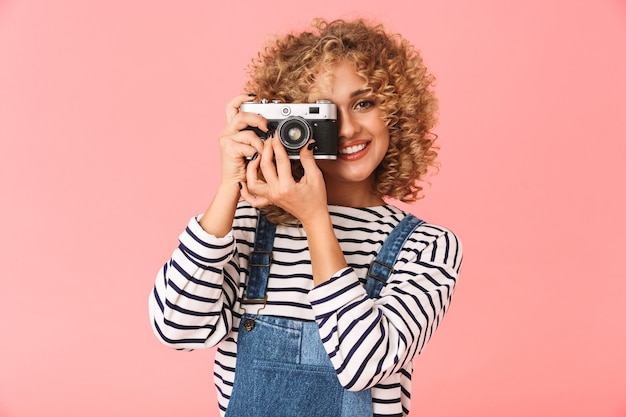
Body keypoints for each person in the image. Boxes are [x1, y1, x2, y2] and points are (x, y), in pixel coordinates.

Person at [149, 18, 462, 417]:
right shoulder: (248, 227)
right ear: (289, 121)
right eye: (325, 112)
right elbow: (175, 328)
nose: (347, 128)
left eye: (364, 103)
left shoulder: (427, 246)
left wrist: (316, 222)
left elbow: (364, 365)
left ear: (397, 112)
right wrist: (230, 184)